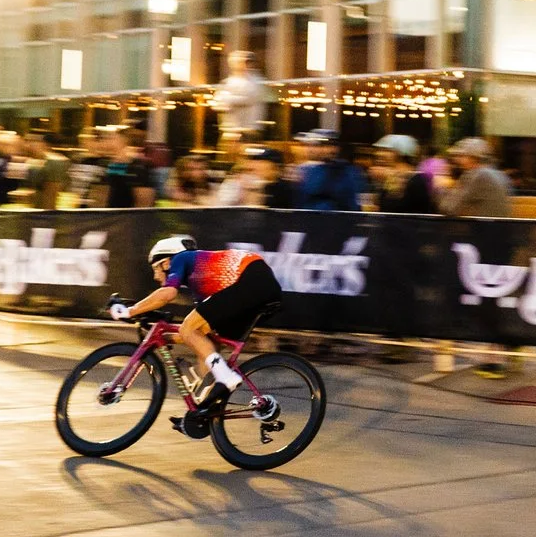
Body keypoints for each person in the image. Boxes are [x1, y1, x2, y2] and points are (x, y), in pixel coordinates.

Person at [111, 235, 284, 425]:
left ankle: (226, 377)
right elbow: (194, 334)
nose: (155, 276)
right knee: (205, 341)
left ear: (166, 262)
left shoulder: (181, 258)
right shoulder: (203, 283)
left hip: (251, 279)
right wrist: (163, 337)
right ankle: (202, 413)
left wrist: (129, 311)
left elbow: (166, 295)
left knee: (189, 326)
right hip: (262, 288)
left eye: (155, 268)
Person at [439, 137, 514, 218]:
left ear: (473, 158)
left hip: (485, 228)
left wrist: (440, 187)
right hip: (502, 227)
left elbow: (448, 208)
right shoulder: (499, 174)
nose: (457, 161)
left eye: (461, 156)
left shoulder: (476, 175)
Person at [292, 131, 367, 212]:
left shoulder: (349, 171)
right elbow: (302, 199)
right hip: (310, 219)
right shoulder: (312, 171)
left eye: (330, 146)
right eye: (323, 146)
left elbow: (353, 203)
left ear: (337, 148)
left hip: (339, 220)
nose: (327, 150)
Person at [374, 135, 437, 214]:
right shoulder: (389, 178)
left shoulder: (417, 180)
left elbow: (422, 212)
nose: (379, 154)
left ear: (400, 153)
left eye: (386, 150)